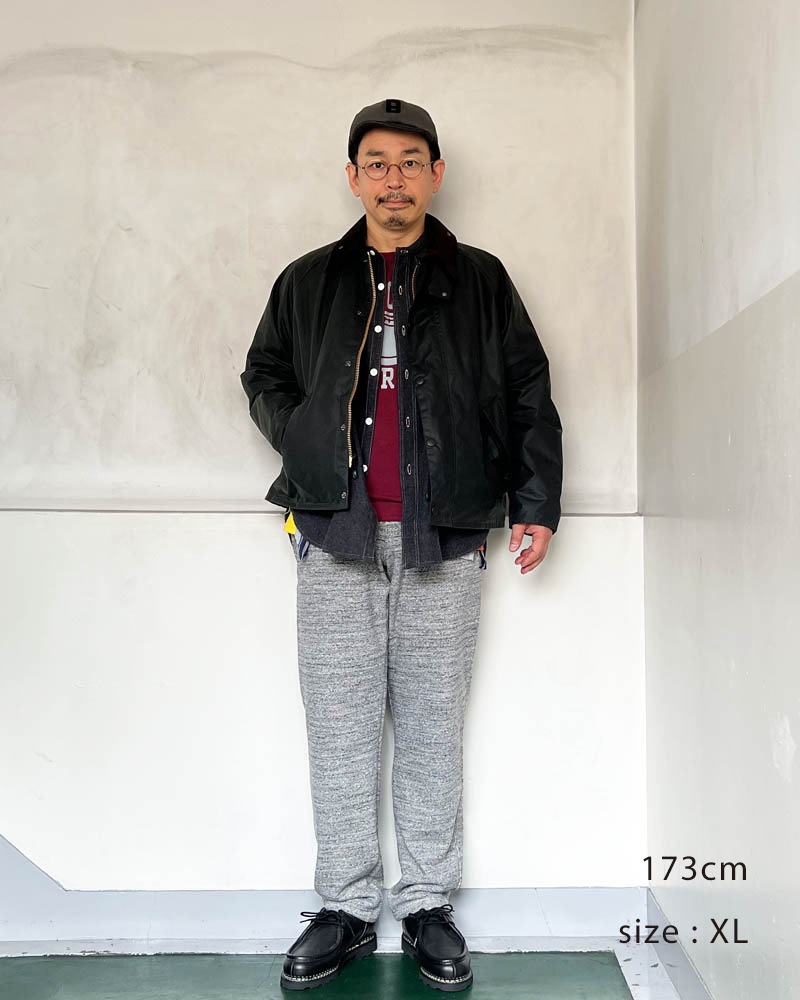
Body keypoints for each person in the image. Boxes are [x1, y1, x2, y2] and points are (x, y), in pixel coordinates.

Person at [241, 98, 562, 992]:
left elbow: (528, 389)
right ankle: (345, 908)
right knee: (339, 727)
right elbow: (264, 372)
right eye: (377, 163)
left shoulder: (481, 279)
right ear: (353, 178)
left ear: (436, 174)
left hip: (444, 532)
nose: (394, 178)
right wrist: (304, 434)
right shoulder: (308, 280)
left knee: (430, 726)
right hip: (334, 529)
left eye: (410, 161)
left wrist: (537, 501)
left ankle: (426, 904)